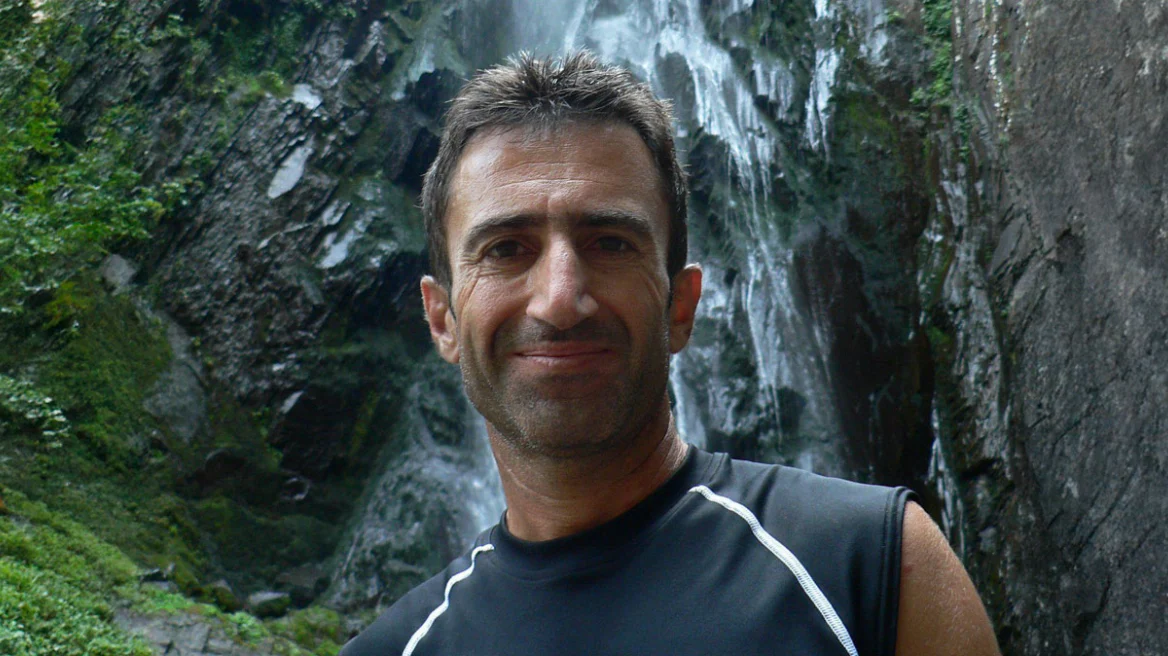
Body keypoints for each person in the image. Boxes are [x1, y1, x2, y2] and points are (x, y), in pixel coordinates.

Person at [340, 52, 1000, 656]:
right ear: (443, 319)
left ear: (680, 306)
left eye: (610, 243)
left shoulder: (875, 568)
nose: (560, 300)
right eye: (506, 249)